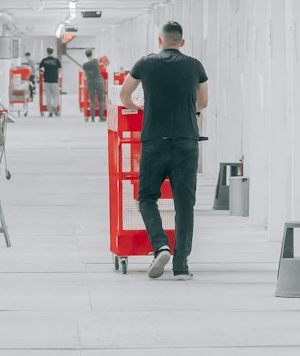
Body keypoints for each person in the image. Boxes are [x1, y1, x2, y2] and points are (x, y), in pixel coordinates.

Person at [119, 20, 208, 280]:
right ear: (182, 41)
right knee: (184, 204)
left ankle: (160, 245)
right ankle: (181, 266)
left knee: (147, 197)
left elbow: (124, 95)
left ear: (160, 41)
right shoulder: (195, 66)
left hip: (154, 141)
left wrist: (139, 106)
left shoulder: (145, 63)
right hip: (186, 142)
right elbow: (203, 101)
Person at [82, 48, 106, 123]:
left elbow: (84, 75)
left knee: (92, 100)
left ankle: (92, 118)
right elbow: (105, 64)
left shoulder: (85, 65)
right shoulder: (96, 61)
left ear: (86, 55)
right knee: (101, 100)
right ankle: (101, 117)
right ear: (91, 54)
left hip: (90, 82)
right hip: (99, 81)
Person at [38, 46, 62, 116]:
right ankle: (55, 107)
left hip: (46, 81)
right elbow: (59, 70)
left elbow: (40, 69)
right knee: (56, 96)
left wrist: (44, 71)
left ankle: (50, 111)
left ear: (47, 52)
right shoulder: (56, 60)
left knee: (48, 96)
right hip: (54, 81)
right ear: (52, 52)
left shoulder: (44, 60)